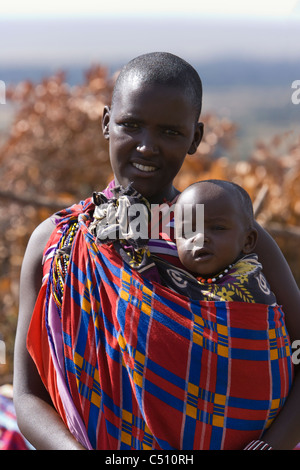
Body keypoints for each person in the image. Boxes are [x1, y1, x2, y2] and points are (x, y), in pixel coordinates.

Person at [13, 52, 300, 450]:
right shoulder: (57, 242)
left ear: (195, 138)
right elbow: (28, 397)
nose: (147, 147)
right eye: (131, 125)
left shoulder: (230, 233)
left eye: (169, 132)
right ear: (106, 122)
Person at [170, 179, 276, 304]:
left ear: (248, 241)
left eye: (217, 228)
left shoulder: (251, 288)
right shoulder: (163, 276)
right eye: (187, 232)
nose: (200, 238)